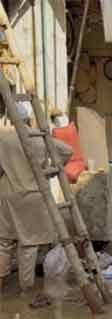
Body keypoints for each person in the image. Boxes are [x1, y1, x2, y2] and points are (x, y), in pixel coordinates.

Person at [0, 103, 74, 296]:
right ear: (29, 119)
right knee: (29, 244)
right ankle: (26, 290)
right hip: (33, 195)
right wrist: (49, 170)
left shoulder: (3, 137)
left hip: (7, 195)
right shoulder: (37, 137)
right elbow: (67, 150)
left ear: (9, 117)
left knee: (4, 242)